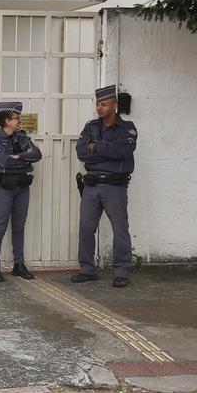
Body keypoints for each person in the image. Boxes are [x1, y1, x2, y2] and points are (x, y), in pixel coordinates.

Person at [72, 85, 138, 287]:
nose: (99, 108)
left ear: (114, 106)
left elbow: (122, 151)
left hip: (115, 186)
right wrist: (104, 150)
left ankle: (121, 271)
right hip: (92, 184)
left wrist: (97, 147)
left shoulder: (127, 128)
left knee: (120, 229)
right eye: (98, 104)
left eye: (104, 104)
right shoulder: (91, 126)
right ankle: (87, 269)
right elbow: (81, 152)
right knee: (85, 227)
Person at [0, 101, 42, 282]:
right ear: (6, 121)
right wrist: (23, 160)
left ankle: (19, 265)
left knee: (19, 227)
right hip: (3, 188)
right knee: (0, 227)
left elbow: (37, 154)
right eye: (16, 118)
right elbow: (3, 161)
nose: (19, 121)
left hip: (22, 188)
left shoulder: (22, 138)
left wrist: (19, 156)